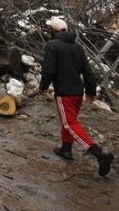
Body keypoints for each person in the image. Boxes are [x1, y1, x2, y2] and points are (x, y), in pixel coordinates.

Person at [39, 18, 114, 176]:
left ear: (54, 31)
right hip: (77, 93)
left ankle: (99, 154)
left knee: (69, 124)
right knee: (69, 121)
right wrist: (91, 91)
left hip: (64, 93)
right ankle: (66, 149)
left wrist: (43, 86)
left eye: (50, 29)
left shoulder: (52, 46)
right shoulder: (78, 47)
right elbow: (88, 71)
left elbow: (49, 69)